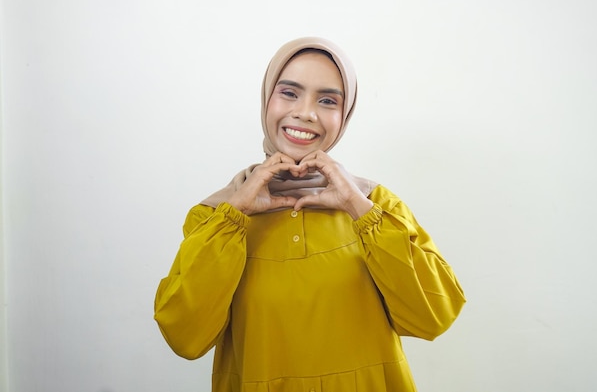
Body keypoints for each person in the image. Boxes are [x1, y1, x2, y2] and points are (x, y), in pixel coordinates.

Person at [154, 37, 466, 392]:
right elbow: (185, 337)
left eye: (327, 100)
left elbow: (434, 318)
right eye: (289, 93)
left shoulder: (377, 206)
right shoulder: (214, 218)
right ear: (266, 98)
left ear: (344, 115)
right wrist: (236, 213)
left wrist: (358, 207)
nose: (306, 112)